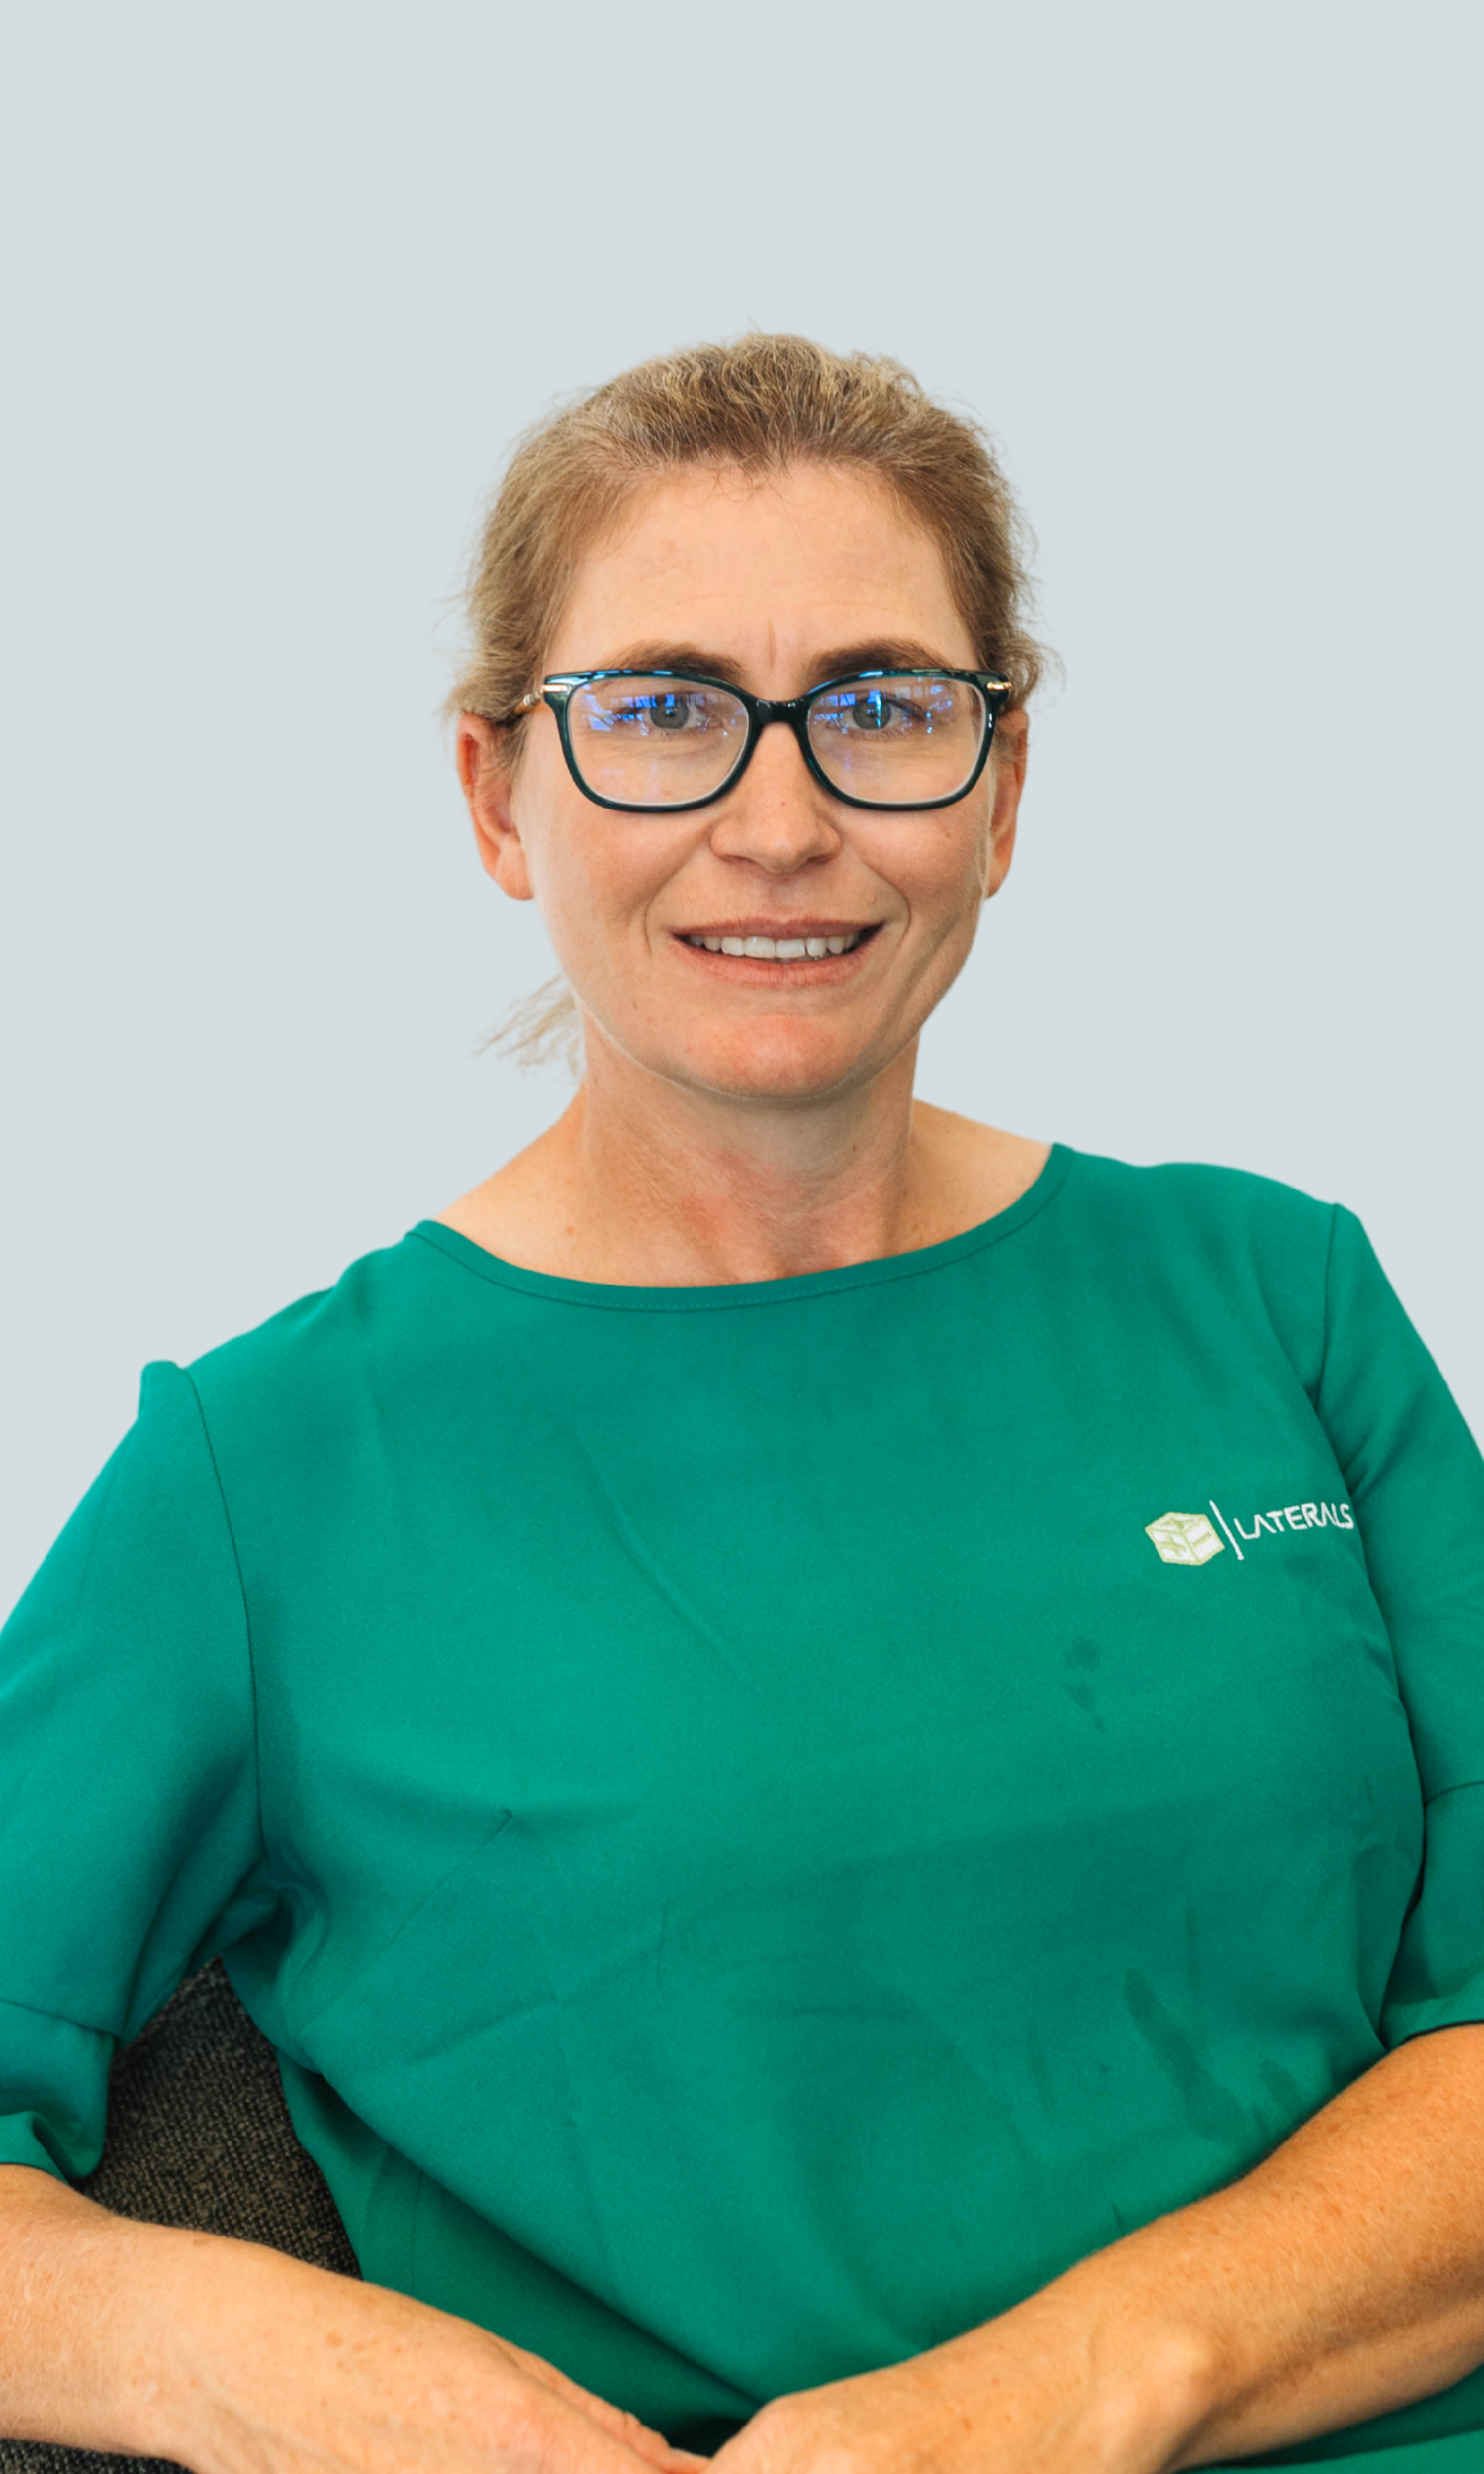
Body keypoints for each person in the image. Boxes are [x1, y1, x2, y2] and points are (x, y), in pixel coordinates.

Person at [2, 333, 1483, 2474]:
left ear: (1001, 787)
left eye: (881, 708)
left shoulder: (1281, 1297)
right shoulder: (265, 1476)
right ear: (497, 794)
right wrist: (311, 2377)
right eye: (661, 710)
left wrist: (1054, 2400)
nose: (779, 824)